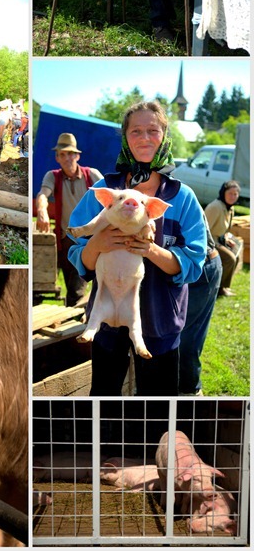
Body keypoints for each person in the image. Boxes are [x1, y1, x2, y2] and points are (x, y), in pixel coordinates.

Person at [67, 101, 206, 395]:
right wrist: (97, 243)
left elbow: (194, 262)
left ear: (165, 135)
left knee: (156, 404)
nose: (144, 138)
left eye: (153, 131)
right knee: (103, 396)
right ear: (125, 138)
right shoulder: (107, 190)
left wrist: (150, 249)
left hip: (161, 323)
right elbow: (78, 251)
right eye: (136, 131)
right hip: (106, 321)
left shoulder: (182, 197)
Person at [36, 133, 103, 307]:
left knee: (78, 291)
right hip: (66, 241)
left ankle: (77, 327)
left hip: (89, 241)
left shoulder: (92, 175)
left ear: (78, 156)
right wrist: (42, 210)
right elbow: (43, 193)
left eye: (71, 154)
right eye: (62, 154)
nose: (67, 158)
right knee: (43, 284)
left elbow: (110, 197)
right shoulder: (53, 176)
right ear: (57, 158)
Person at [178, 212, 222, 394]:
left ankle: (189, 391)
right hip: (180, 268)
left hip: (201, 269)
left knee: (187, 336)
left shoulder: (180, 196)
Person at [204, 180, 244, 297]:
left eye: (235, 194)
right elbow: (205, 231)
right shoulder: (215, 207)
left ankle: (224, 286)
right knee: (230, 258)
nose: (233, 196)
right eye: (230, 193)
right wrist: (214, 246)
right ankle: (219, 288)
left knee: (236, 253)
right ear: (223, 193)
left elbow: (226, 229)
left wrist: (226, 238)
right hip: (209, 242)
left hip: (219, 239)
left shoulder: (230, 208)